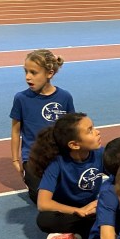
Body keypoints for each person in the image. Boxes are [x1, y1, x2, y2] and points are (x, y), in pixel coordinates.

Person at [27, 112, 103, 239]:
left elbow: (119, 180)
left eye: (93, 127)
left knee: (119, 210)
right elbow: (43, 204)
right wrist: (78, 210)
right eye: (90, 130)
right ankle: (86, 235)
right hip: (68, 212)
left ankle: (76, 238)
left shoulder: (100, 154)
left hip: (92, 209)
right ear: (74, 145)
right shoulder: (57, 163)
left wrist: (102, 202)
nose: (97, 132)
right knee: (44, 220)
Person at [10, 50, 76, 202]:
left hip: (59, 155)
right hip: (33, 158)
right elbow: (16, 131)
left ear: (49, 73)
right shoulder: (21, 98)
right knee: (41, 198)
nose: (28, 77)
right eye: (26, 71)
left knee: (68, 194)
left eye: (33, 72)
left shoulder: (65, 97)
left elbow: (71, 128)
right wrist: (15, 160)